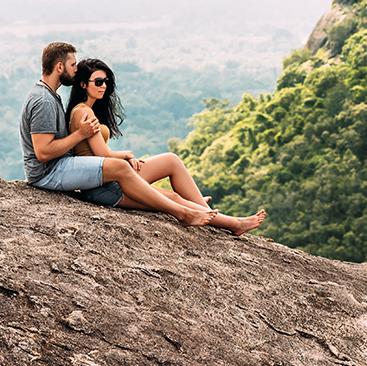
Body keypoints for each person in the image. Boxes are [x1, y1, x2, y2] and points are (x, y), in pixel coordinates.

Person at [20, 42, 253, 232]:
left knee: (169, 162)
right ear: (60, 67)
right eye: (72, 65)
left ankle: (200, 208)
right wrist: (82, 135)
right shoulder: (45, 101)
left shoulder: (52, 97)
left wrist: (123, 155)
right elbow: (43, 153)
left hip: (71, 169)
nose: (75, 69)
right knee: (156, 189)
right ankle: (193, 213)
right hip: (49, 173)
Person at [65, 57, 266, 236]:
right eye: (98, 82)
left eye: (106, 82)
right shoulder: (84, 113)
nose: (104, 86)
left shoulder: (86, 110)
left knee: (171, 160)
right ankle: (233, 223)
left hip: (112, 176)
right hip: (102, 187)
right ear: (83, 84)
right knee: (173, 198)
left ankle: (200, 206)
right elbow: (102, 153)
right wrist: (125, 155)